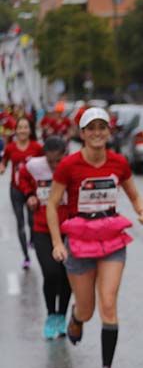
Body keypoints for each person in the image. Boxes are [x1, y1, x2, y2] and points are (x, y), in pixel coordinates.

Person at [47, 107, 143, 368]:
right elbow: (53, 204)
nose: (97, 133)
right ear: (81, 134)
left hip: (111, 239)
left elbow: (133, 193)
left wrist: (142, 211)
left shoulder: (118, 162)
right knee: (88, 309)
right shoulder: (69, 165)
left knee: (108, 303)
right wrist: (57, 242)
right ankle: (76, 318)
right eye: (91, 128)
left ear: (109, 132)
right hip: (79, 241)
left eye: (102, 127)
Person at [19, 136, 72, 339]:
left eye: (58, 160)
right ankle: (51, 315)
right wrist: (29, 195)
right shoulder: (34, 166)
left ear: (65, 155)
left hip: (68, 228)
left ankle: (62, 316)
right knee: (51, 274)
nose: (55, 165)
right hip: (42, 229)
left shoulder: (72, 166)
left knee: (67, 275)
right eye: (50, 161)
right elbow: (21, 178)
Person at [0, 116, 44, 269]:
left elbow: (45, 165)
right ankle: (26, 256)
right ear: (16, 130)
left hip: (32, 191)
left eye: (26, 127)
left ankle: (32, 239)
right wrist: (2, 167)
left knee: (32, 221)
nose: (23, 130)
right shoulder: (11, 147)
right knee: (20, 223)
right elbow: (4, 161)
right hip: (16, 190)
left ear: (30, 130)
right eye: (20, 127)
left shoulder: (37, 147)